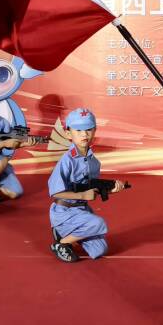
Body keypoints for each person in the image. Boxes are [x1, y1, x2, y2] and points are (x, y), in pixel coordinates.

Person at [48, 107, 128, 262]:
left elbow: (92, 187)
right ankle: (61, 243)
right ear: (68, 133)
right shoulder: (67, 161)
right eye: (78, 130)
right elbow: (55, 192)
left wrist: (110, 189)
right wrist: (82, 195)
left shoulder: (94, 162)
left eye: (88, 129)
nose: (84, 134)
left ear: (95, 131)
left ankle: (68, 232)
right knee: (98, 223)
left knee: (99, 250)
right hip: (64, 211)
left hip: (81, 210)